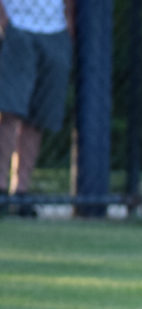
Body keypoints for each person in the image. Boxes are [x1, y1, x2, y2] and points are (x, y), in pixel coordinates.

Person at [0, 0, 74, 218]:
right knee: (9, 113)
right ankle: (1, 188)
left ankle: (22, 192)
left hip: (55, 30)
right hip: (16, 26)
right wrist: (4, 21)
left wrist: (69, 23)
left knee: (37, 119)